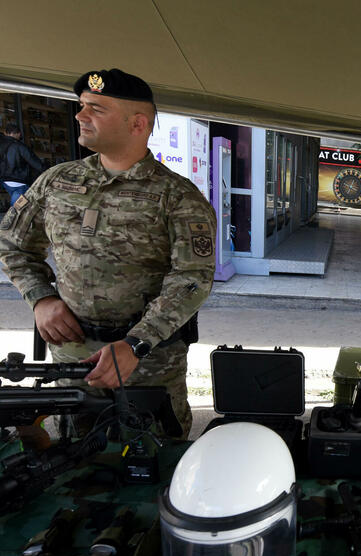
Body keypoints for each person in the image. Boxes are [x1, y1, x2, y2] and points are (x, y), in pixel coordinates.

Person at [0, 69, 216, 437]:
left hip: (148, 360)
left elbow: (192, 279)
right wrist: (41, 299)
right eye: (82, 106)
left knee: (153, 452)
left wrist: (137, 343)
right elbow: (13, 243)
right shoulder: (56, 181)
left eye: (96, 109)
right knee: (77, 450)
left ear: (137, 124)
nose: (80, 116)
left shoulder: (177, 197)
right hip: (71, 353)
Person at [0, 124, 45, 209]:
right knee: (17, 210)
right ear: (19, 134)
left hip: (5, 181)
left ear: (5, 133)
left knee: (20, 207)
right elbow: (36, 163)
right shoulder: (20, 146)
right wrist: (48, 170)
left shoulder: (1, 145)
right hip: (19, 182)